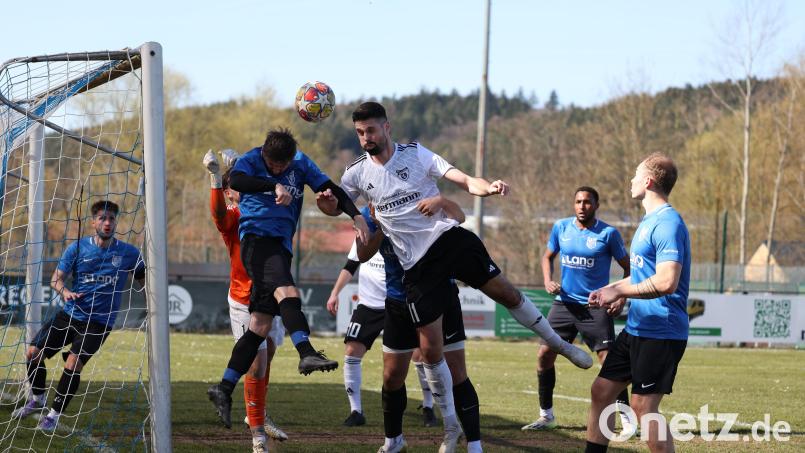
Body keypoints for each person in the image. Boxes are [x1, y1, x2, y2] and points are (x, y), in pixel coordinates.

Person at [338, 102, 592, 453]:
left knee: (505, 292)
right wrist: (337, 208)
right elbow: (336, 203)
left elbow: (463, 178)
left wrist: (485, 188)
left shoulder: (415, 154)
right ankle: (447, 430)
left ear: (387, 128)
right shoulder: (355, 175)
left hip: (447, 242)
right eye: (360, 133)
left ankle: (560, 345)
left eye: (371, 130)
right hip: (417, 270)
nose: (366, 137)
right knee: (429, 353)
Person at [207, 128, 369, 430]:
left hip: (280, 245)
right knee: (288, 292)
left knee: (259, 327)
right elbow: (238, 181)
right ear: (265, 154)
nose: (279, 169)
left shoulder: (301, 163)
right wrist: (273, 184)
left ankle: (224, 387)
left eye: (283, 166)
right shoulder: (253, 160)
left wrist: (355, 214)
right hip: (257, 240)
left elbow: (331, 186)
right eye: (273, 164)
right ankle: (306, 353)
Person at [319, 194, 482, 453]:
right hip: (398, 301)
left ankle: (472, 444)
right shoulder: (368, 212)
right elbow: (361, 254)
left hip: (439, 296)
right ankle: (394, 440)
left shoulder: (422, 199)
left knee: (456, 371)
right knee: (392, 376)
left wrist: (441, 200)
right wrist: (380, 225)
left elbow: (459, 218)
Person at [585, 153, 690, 453]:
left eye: (635, 174)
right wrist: (611, 288)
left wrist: (621, 293)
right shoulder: (649, 221)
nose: (631, 180)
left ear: (648, 181)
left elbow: (667, 281)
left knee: (643, 408)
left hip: (661, 331)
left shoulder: (668, 224)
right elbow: (643, 277)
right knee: (602, 391)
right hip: (637, 328)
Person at [12, 200, 145, 432]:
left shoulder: (128, 253)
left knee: (74, 362)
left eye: (111, 218)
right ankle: (38, 399)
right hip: (71, 314)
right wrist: (66, 292)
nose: (107, 222)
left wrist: (153, 301)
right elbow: (56, 279)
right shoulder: (78, 248)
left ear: (116, 223)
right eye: (102, 218)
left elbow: (145, 282)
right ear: (93, 222)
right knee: (33, 353)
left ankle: (53, 415)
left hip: (99, 323)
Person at [522, 187, 635, 436]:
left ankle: (627, 420)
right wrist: (547, 280)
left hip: (595, 306)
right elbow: (547, 256)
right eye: (578, 201)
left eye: (587, 202)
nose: (582, 206)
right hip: (564, 305)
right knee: (543, 356)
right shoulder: (561, 228)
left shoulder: (609, 234)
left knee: (609, 361)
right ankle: (546, 416)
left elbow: (629, 269)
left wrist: (621, 295)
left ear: (596, 205)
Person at [203, 150, 288, 451]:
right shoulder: (233, 216)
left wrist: (243, 165)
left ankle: (257, 414)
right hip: (243, 299)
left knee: (269, 354)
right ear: (228, 193)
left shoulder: (262, 209)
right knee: (256, 365)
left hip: (270, 295)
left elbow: (275, 186)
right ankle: (258, 439)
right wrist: (215, 176)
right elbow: (217, 214)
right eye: (238, 185)